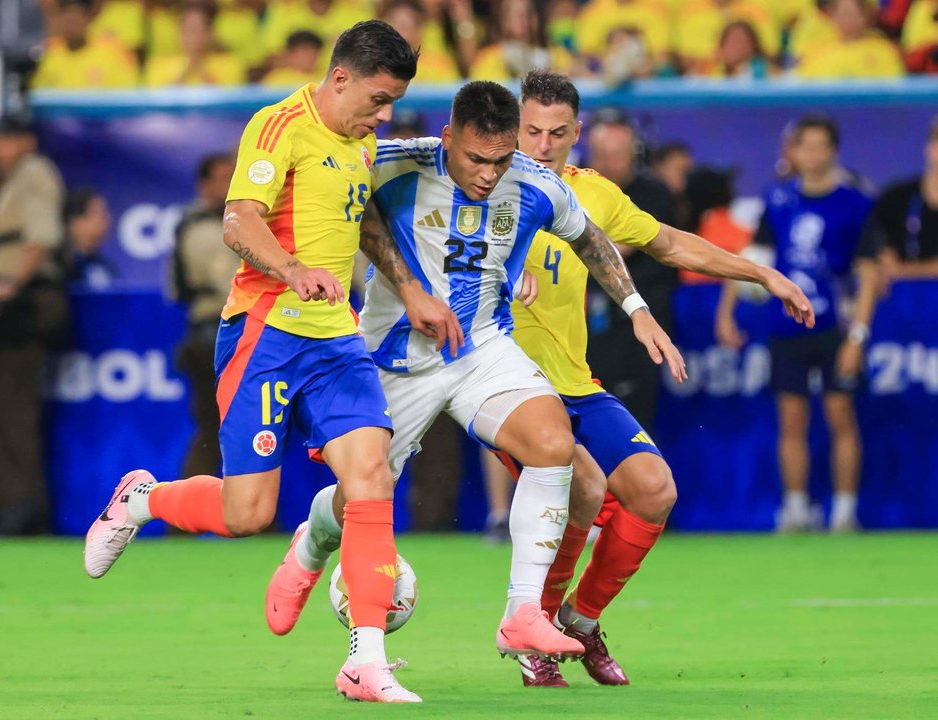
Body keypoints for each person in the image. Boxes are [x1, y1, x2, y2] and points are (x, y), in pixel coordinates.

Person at [82, 21, 449, 704]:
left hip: (336, 341)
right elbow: (238, 220)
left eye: (392, 101)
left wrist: (413, 292)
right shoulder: (279, 125)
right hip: (265, 335)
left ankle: (364, 660)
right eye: (376, 98)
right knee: (247, 512)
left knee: (371, 474)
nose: (385, 114)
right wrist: (291, 267)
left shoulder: (361, 139)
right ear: (338, 79)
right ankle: (142, 500)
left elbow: (364, 222)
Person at [267, 80, 688, 665]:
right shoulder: (395, 163)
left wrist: (637, 310)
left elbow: (591, 239)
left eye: (500, 158)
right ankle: (314, 539)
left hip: (481, 348)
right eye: (475, 159)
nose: (489, 174)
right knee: (363, 495)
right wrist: (408, 289)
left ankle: (522, 616)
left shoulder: (536, 182)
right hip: (398, 356)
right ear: (448, 138)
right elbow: (350, 212)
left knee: (552, 443)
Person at [508, 70, 814, 688]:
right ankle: (533, 631)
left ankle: (580, 620)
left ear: (578, 133)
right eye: (531, 130)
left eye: (556, 133)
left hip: (573, 378)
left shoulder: (589, 193)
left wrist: (762, 275)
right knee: (585, 492)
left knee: (654, 492)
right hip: (503, 382)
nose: (541, 145)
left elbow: (668, 243)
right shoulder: (479, 183)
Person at [716, 115, 880, 533]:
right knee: (791, 419)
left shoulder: (855, 203)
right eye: (804, 146)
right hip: (787, 327)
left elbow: (869, 274)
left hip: (834, 328)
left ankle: (844, 511)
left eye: (820, 146)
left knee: (841, 413)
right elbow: (753, 260)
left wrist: (857, 336)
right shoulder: (778, 200)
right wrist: (725, 311)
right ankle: (795, 508)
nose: (812, 154)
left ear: (833, 151)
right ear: (794, 151)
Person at [0, 113, 68, 535]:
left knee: (10, 406)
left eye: (4, 138)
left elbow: (41, 238)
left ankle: (25, 507)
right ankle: (17, 503)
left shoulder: (33, 172)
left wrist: (7, 285)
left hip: (26, 300)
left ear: (26, 140)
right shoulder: (12, 179)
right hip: (14, 300)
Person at [584, 110, 676, 435]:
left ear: (634, 154)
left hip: (636, 328)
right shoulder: (574, 191)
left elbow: (606, 251)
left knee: (633, 425)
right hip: (584, 326)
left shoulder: (653, 194)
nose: (609, 164)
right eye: (602, 155)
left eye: (618, 155)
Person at [169, 153, 237, 480]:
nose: (232, 181)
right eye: (224, 176)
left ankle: (262, 514)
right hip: (215, 331)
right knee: (214, 427)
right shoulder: (201, 224)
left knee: (251, 426)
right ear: (205, 185)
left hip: (239, 329)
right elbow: (225, 283)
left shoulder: (240, 217)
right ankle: (179, 515)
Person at [865, 118, 938, 281]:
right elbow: (871, 260)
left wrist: (903, 269)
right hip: (902, 301)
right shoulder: (896, 199)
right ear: (929, 148)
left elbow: (895, 268)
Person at [31, 0, 139, 90]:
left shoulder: (111, 53)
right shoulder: (51, 54)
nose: (71, 26)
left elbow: (124, 96)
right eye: (67, 20)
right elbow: (39, 94)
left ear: (87, 19)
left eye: (75, 20)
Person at [143, 2, 246, 87]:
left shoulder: (231, 64)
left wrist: (200, 67)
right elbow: (157, 103)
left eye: (197, 30)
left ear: (210, 33)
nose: (192, 37)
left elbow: (228, 103)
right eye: (187, 30)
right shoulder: (157, 65)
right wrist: (186, 71)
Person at [63, 189, 119, 291]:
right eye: (98, 214)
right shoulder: (58, 269)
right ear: (74, 222)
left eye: (105, 214)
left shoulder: (105, 267)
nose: (107, 220)